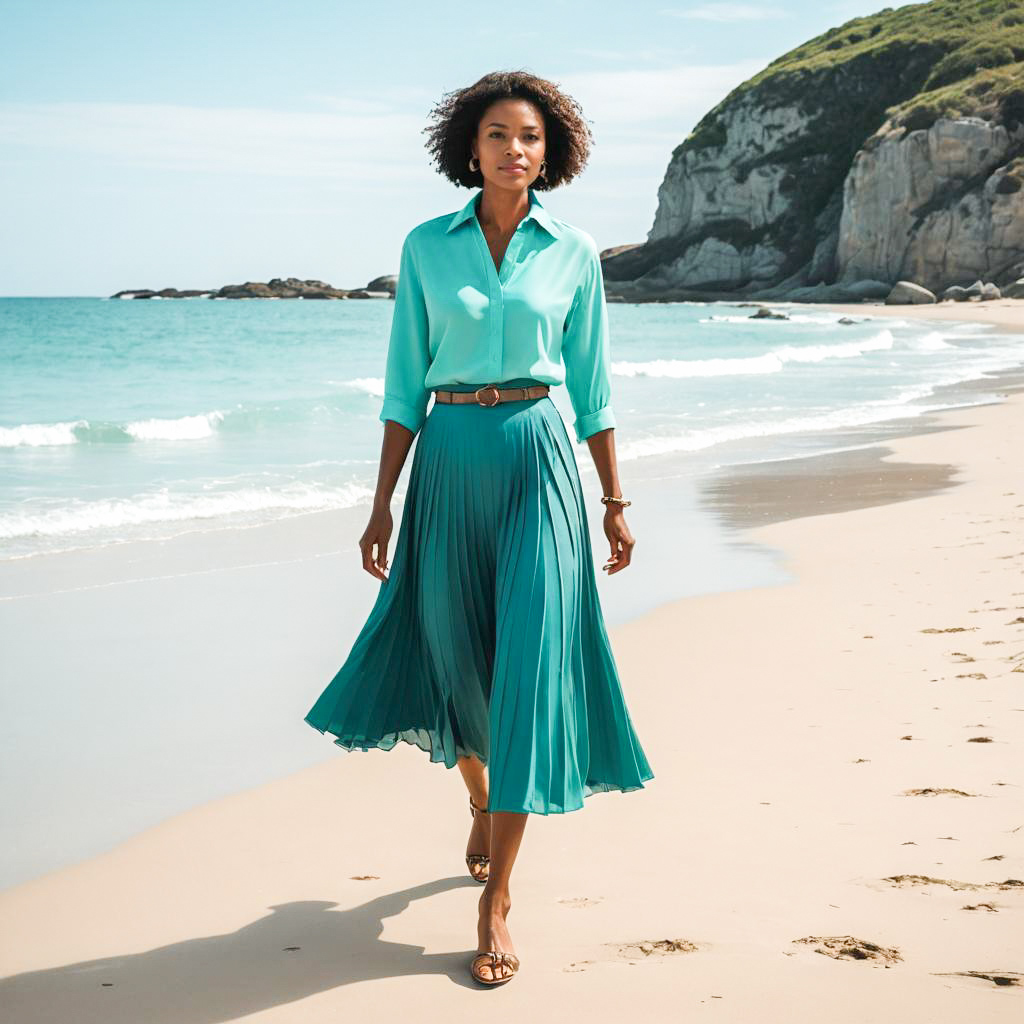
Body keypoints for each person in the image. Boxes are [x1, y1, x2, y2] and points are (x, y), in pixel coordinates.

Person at [303, 69, 655, 987]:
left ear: (553, 153)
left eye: (531, 137)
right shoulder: (426, 247)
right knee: (458, 660)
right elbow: (400, 385)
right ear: (470, 148)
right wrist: (381, 500)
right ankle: (481, 795)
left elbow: (595, 386)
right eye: (498, 135)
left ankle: (497, 896)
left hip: (541, 460)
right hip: (450, 458)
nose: (515, 150)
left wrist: (615, 500)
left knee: (529, 669)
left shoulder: (574, 252)